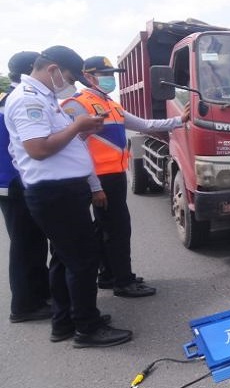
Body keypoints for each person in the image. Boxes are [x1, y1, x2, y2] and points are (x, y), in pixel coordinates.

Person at [4, 45, 132, 347]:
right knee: (83, 262)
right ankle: (87, 328)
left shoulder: (46, 99)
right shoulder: (27, 100)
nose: (70, 84)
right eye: (69, 77)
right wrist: (78, 125)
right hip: (55, 194)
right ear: (52, 70)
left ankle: (65, 322)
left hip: (63, 192)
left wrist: (81, 131)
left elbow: (57, 142)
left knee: (64, 259)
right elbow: (38, 149)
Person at [61, 56, 189, 298]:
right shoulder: (77, 105)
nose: (111, 79)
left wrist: (178, 120)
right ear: (88, 76)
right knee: (117, 231)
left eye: (112, 73)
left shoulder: (110, 104)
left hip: (114, 176)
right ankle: (124, 281)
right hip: (99, 179)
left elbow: (145, 124)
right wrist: (95, 186)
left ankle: (109, 275)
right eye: (105, 73)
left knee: (106, 229)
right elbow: (75, 149)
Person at [0, 51, 51, 323]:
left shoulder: (9, 98)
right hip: (14, 182)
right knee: (25, 244)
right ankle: (24, 306)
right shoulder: (19, 100)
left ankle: (40, 293)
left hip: (12, 182)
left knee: (32, 241)